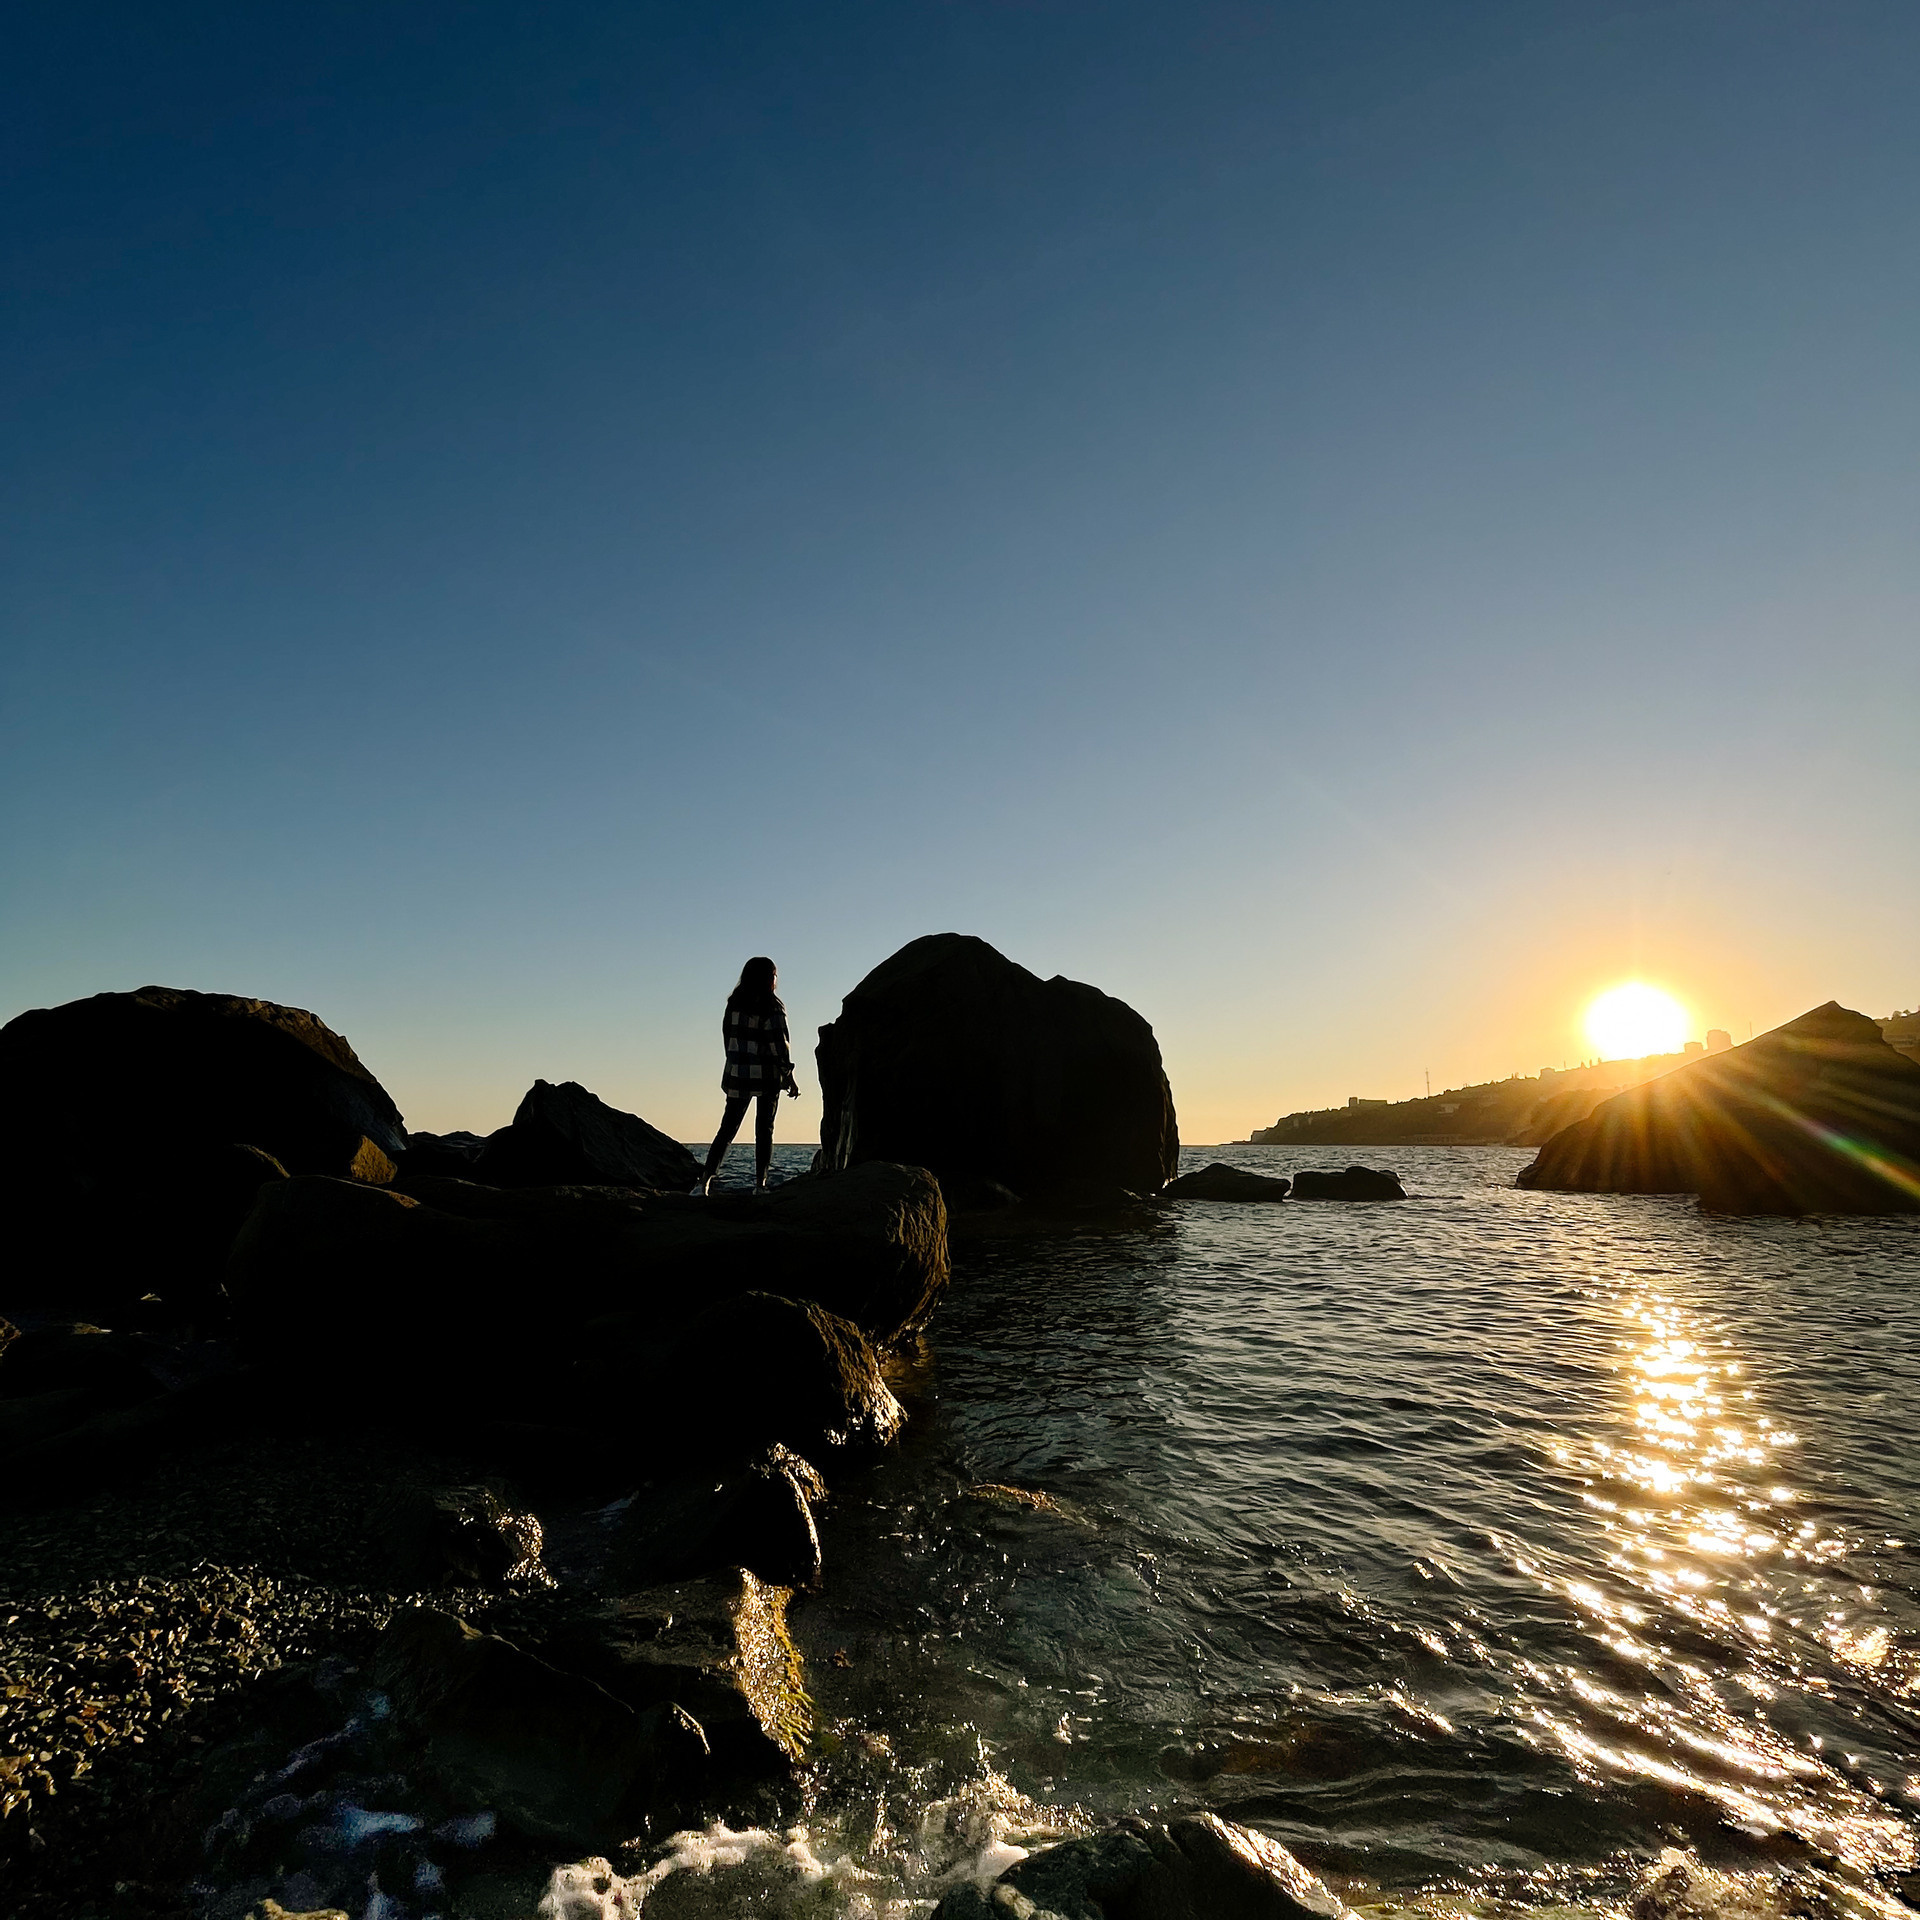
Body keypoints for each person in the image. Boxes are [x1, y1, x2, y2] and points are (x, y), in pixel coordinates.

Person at [693, 955, 799, 1197]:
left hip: (738, 1073)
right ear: (769, 978)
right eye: (774, 975)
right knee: (764, 1131)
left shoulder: (734, 1004)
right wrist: (789, 1076)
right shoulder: (773, 1007)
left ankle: (703, 1183)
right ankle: (760, 1185)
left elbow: (728, 1039)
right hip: (766, 1076)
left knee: (727, 1129)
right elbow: (779, 1045)